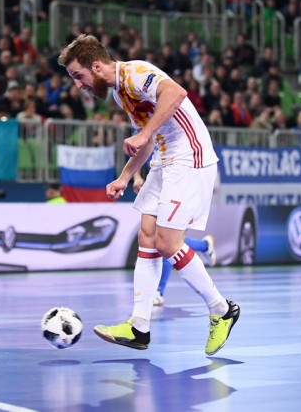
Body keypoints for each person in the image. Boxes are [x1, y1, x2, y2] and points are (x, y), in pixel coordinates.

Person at [58, 34, 239, 355]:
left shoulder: (135, 72)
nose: (78, 85)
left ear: (96, 67)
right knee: (147, 236)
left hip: (189, 155)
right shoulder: (120, 94)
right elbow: (149, 140)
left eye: (78, 75)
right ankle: (139, 327)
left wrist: (143, 134)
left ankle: (221, 309)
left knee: (167, 242)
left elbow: (176, 93)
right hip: (165, 159)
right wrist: (125, 176)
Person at [132, 168, 217, 307]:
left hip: (178, 180)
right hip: (157, 178)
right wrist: (136, 176)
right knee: (159, 239)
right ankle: (204, 246)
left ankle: (159, 291)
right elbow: (139, 154)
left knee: (166, 241)